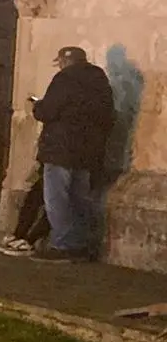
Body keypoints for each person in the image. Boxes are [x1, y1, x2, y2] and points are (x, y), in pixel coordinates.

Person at [30, 45, 117, 261]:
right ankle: (83, 245)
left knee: (57, 198)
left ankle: (64, 245)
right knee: (80, 198)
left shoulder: (64, 79)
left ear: (65, 61)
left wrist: (37, 106)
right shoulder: (99, 80)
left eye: (59, 61)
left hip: (61, 150)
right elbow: (108, 115)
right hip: (88, 152)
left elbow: (48, 110)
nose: (58, 65)